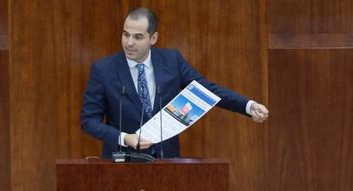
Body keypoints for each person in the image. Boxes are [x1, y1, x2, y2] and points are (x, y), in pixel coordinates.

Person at [81, 8, 268, 158]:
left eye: (138, 37)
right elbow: (88, 120)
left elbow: (207, 91)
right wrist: (124, 138)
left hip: (166, 163)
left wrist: (248, 106)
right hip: (121, 162)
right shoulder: (103, 70)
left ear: (153, 38)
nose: (129, 43)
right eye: (125, 34)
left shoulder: (172, 61)